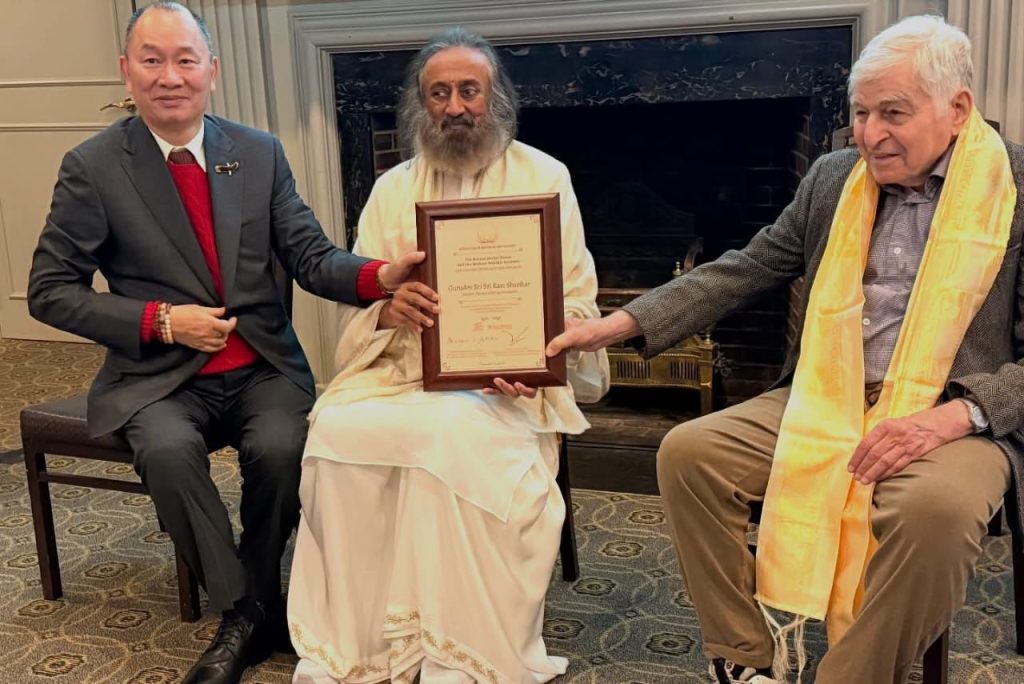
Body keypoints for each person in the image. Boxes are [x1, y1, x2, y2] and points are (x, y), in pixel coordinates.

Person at [547, 14, 1023, 684]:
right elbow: (747, 267)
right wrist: (617, 324)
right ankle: (742, 657)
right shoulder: (834, 176)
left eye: (893, 113)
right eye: (860, 113)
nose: (870, 135)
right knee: (689, 454)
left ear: (958, 108)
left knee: (933, 511)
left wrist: (953, 417)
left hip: (955, 413)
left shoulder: (1017, 188)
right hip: (827, 393)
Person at [27, 3, 422, 683]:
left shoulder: (258, 152)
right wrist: (161, 321)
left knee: (283, 447)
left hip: (261, 366)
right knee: (168, 453)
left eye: (185, 59)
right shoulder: (93, 166)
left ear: (211, 69)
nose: (170, 76)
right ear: (127, 71)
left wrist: (378, 277)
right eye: (152, 60)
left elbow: (310, 255)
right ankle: (247, 610)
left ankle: (250, 607)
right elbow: (50, 290)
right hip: (159, 377)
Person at [286, 27, 609, 684]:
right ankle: (362, 642)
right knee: (335, 429)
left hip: (503, 389)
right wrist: (389, 306)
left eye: (469, 90)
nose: (455, 107)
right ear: (421, 105)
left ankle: (455, 650)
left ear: (496, 99)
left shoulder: (546, 176)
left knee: (451, 428)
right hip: (402, 374)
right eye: (440, 93)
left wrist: (536, 361)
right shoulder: (392, 189)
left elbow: (577, 301)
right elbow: (365, 295)